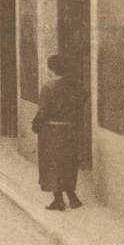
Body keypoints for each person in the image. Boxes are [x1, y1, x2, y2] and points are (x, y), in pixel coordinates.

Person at [32, 54, 84, 211]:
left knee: (52, 164)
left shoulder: (48, 87)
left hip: (52, 132)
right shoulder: (74, 85)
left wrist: (36, 125)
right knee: (68, 164)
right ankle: (73, 198)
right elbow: (81, 103)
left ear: (52, 69)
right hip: (70, 130)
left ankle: (58, 200)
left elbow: (43, 111)